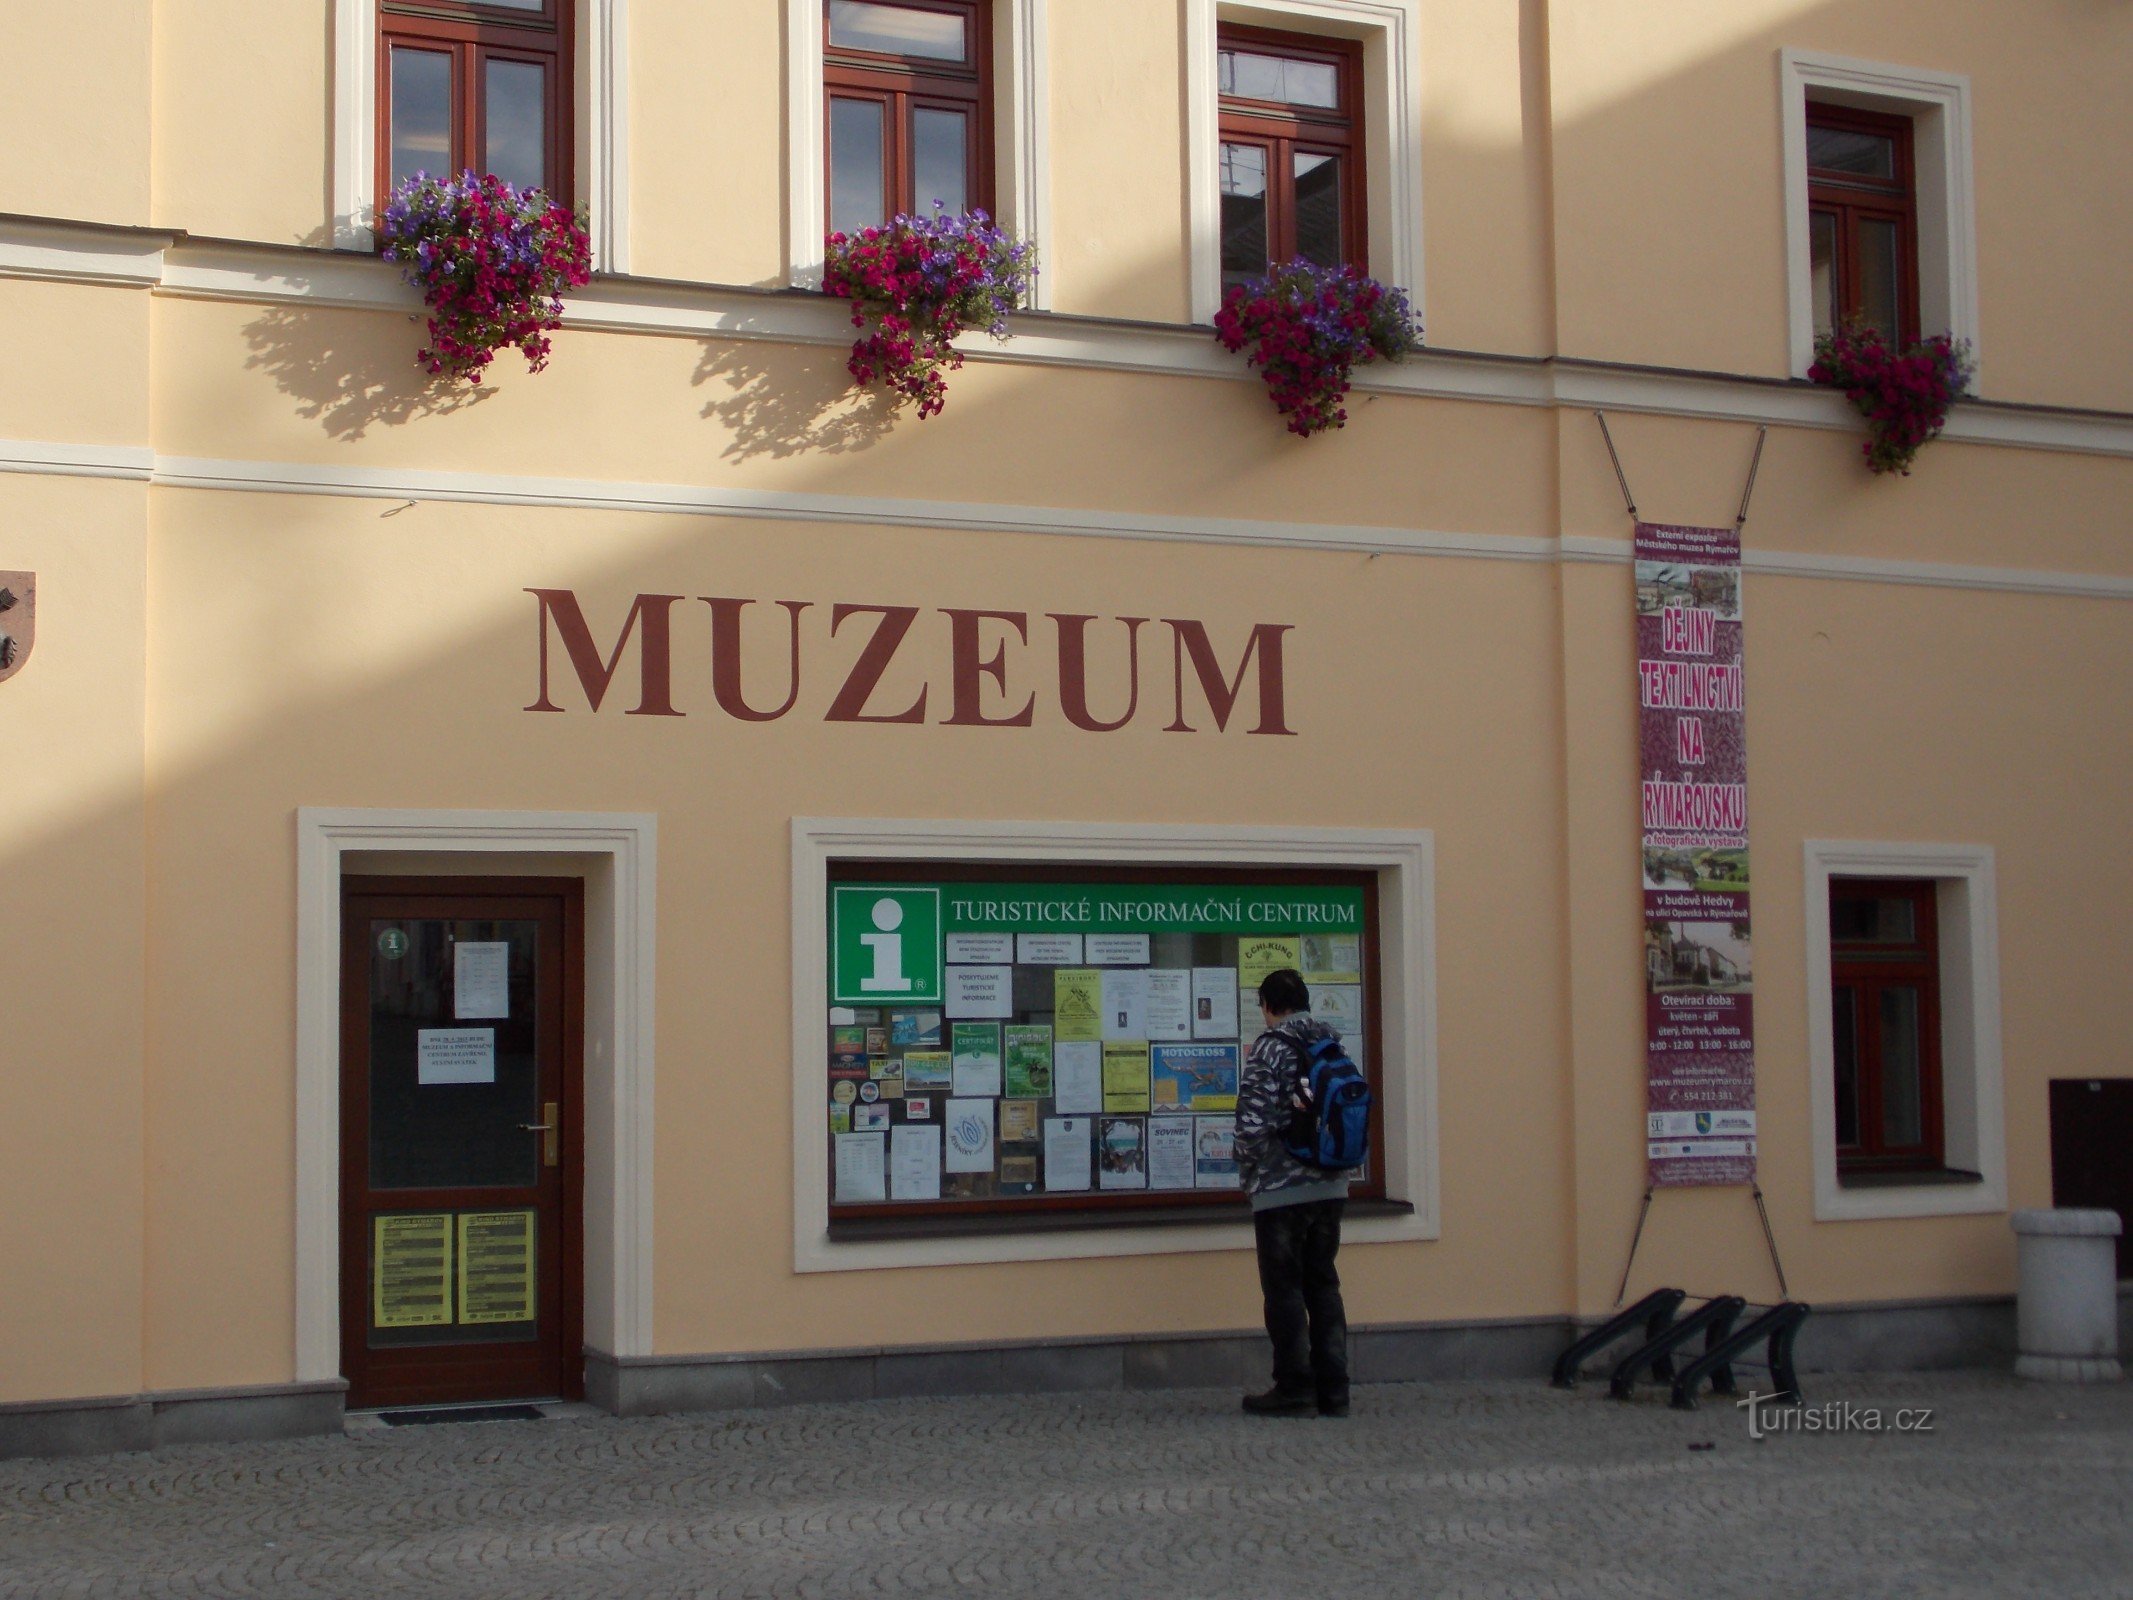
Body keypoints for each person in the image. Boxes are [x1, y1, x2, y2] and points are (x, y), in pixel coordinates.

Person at [1233, 967, 1354, 1417]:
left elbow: (1252, 1125)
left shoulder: (1270, 1048)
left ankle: (1294, 1388)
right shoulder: (1331, 1041)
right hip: (1331, 1186)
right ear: (1304, 1002)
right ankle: (1334, 1390)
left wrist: (1247, 1171)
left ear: (1267, 1005)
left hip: (1281, 1192)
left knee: (1283, 1290)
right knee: (1323, 1284)